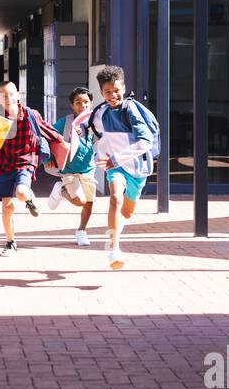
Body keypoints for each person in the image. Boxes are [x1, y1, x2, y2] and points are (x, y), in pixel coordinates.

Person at [88, 65, 156, 270]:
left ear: (124, 88)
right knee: (115, 197)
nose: (113, 95)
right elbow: (94, 133)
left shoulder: (131, 109)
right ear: (101, 93)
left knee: (127, 213)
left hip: (137, 167)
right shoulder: (100, 112)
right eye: (107, 92)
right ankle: (113, 247)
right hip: (115, 167)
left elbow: (146, 142)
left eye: (116, 90)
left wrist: (117, 158)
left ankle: (114, 232)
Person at [0, 80, 46, 257]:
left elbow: (47, 131)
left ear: (18, 95)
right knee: (8, 206)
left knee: (22, 192)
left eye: (11, 94)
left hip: (25, 161)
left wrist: (63, 145)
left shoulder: (31, 114)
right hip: (5, 163)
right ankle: (10, 242)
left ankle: (29, 198)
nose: (8, 98)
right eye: (3, 96)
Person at [45, 86, 97, 247]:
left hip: (88, 169)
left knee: (89, 202)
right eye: (78, 102)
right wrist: (48, 156)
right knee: (80, 201)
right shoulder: (65, 122)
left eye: (86, 102)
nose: (83, 105)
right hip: (69, 170)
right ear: (72, 105)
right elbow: (48, 137)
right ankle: (61, 190)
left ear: (91, 104)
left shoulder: (96, 123)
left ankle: (81, 231)